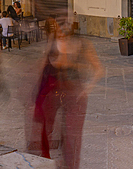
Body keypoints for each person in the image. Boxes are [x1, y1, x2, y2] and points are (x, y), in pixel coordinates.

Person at [29, 19, 102, 169]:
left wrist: (86, 89)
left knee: (71, 136)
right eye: (59, 33)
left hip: (73, 92)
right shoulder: (53, 43)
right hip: (53, 90)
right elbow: (45, 63)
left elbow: (99, 69)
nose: (61, 36)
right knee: (46, 129)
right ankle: (47, 160)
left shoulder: (82, 46)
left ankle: (70, 165)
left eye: (63, 34)